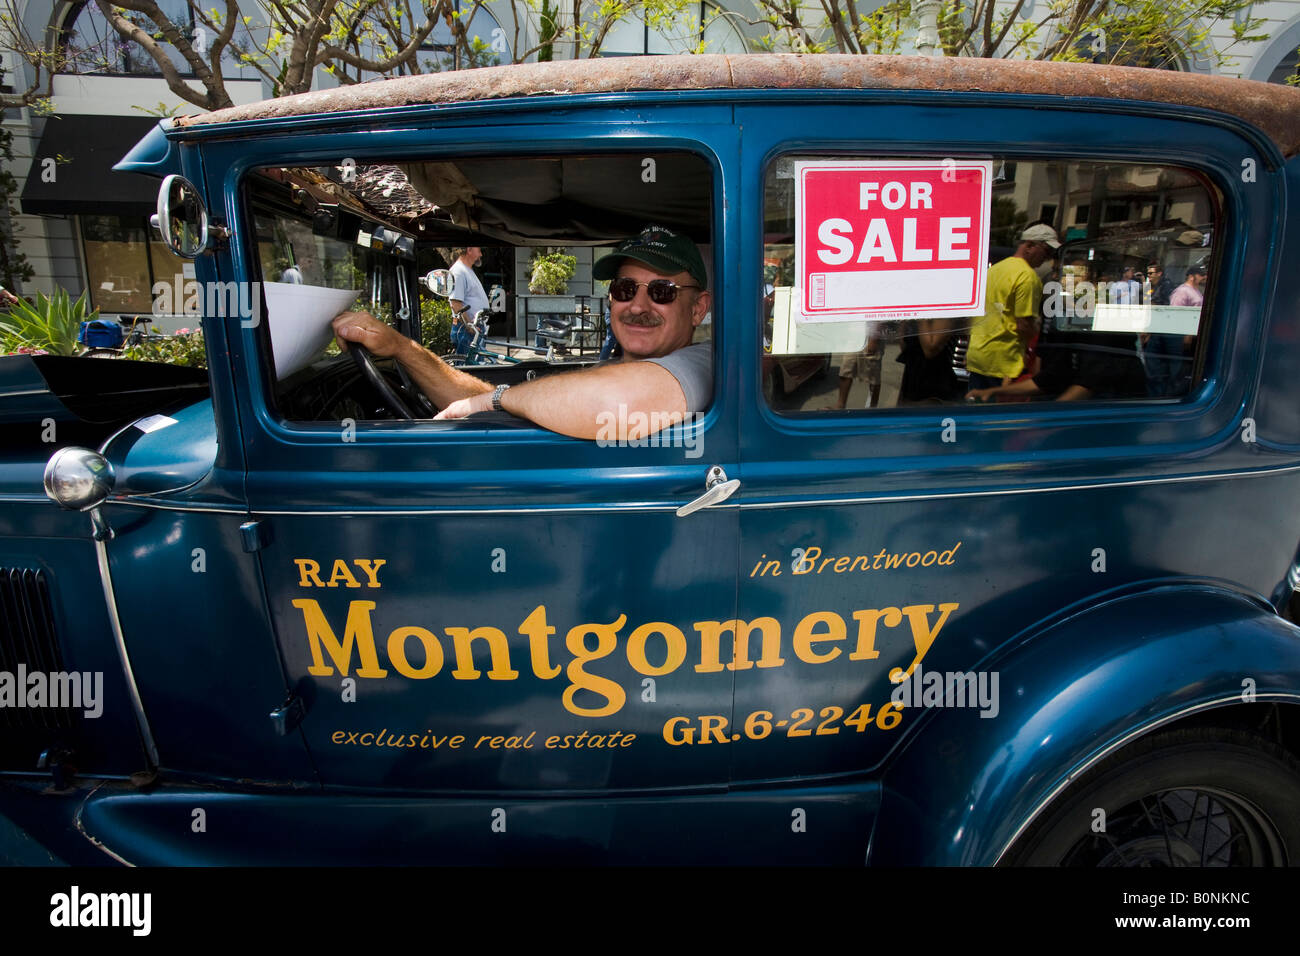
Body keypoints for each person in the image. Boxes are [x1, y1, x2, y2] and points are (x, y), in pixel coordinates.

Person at [331, 225, 712, 439]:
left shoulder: (704, 363)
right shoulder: (609, 369)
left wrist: (493, 402)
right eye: (625, 289)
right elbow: (505, 402)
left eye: (662, 292)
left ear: (697, 308)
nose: (638, 306)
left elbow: (615, 403)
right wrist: (402, 348)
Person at [964, 224, 1060, 392]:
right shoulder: (1028, 277)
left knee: (976, 410)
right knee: (1000, 416)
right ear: (1029, 246)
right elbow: (1023, 325)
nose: (1047, 258)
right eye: (1046, 251)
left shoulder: (994, 270)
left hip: (978, 355)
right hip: (1005, 362)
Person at [448, 246, 491, 355]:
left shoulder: (466, 269)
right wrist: (469, 326)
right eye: (479, 250)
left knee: (477, 367)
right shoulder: (458, 271)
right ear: (469, 249)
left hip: (473, 328)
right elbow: (456, 303)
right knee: (468, 368)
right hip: (467, 330)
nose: (481, 255)